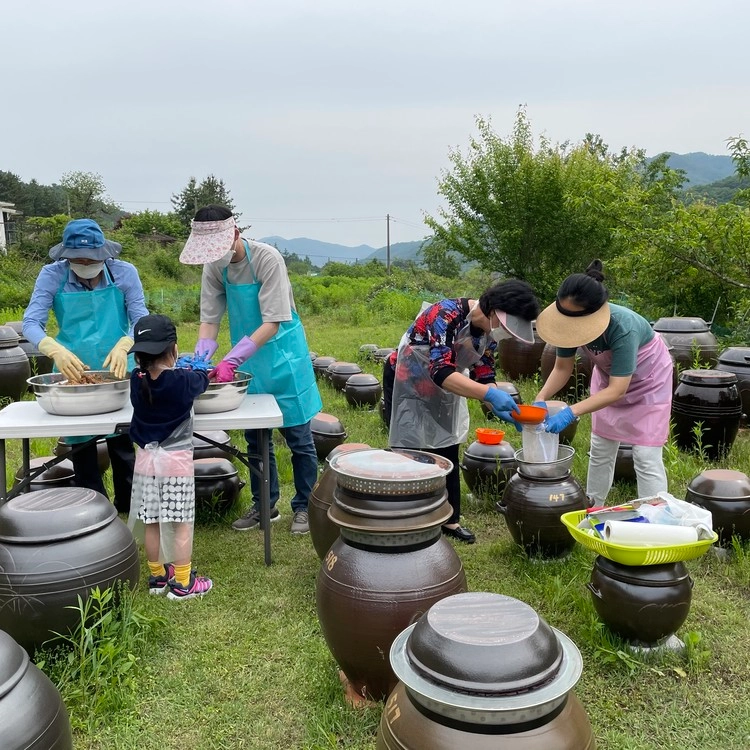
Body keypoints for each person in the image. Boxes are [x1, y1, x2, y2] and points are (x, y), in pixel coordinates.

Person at [179, 205, 322, 535]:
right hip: (251, 359)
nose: (214, 255)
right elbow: (209, 319)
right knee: (257, 439)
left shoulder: (267, 258)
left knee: (299, 438)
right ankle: (264, 505)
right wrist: (201, 359)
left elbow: (272, 322)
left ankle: (305, 506)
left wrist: (231, 360)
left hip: (284, 356)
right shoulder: (215, 266)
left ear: (235, 234)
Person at [384, 280, 540, 544]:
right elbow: (440, 371)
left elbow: (484, 373)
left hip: (446, 387)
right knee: (408, 449)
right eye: (507, 327)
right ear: (494, 312)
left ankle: (449, 519)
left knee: (448, 447)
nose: (506, 334)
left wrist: (498, 405)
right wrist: (488, 395)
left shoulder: (488, 334)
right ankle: (406, 516)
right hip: (407, 380)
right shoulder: (446, 314)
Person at [23, 218, 148, 513]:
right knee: (81, 445)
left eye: (91, 259)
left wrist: (127, 342)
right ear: (66, 257)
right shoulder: (52, 275)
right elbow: (31, 322)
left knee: (122, 440)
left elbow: (141, 317)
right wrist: (53, 348)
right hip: (73, 371)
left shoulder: (124, 272)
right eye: (78, 260)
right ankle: (94, 510)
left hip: (117, 368)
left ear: (104, 254)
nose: (86, 265)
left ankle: (128, 505)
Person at [534, 260, 673, 505]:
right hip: (610, 378)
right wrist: (541, 397)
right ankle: (593, 507)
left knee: (645, 455)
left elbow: (618, 390)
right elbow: (562, 367)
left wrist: (571, 412)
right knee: (600, 447)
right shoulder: (568, 325)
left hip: (649, 381)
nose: (567, 322)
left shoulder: (623, 327)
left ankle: (655, 515)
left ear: (593, 314)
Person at [127, 314, 213, 600]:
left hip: (145, 465)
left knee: (152, 521)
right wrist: (198, 367)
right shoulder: (182, 381)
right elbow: (202, 379)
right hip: (175, 465)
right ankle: (183, 583)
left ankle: (157, 577)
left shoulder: (136, 379)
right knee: (181, 523)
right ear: (174, 349)